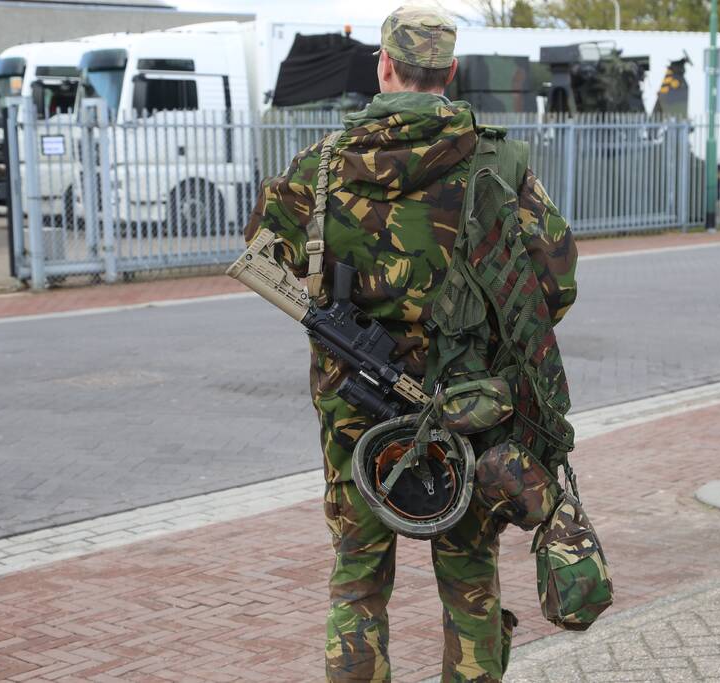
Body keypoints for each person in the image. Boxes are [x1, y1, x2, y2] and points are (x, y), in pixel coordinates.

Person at [243, 5, 577, 681]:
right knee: (470, 582)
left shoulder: (320, 165)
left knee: (358, 583)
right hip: (469, 410)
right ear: (449, 74)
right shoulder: (498, 161)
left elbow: (261, 253)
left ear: (384, 66)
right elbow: (556, 286)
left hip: (354, 415)